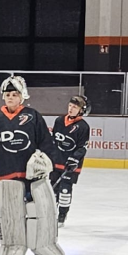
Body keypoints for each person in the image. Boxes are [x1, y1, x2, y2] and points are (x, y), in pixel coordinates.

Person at [0, 75, 63, 255]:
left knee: (41, 210)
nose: (11, 97)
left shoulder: (33, 116)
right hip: (7, 171)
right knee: (11, 213)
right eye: (7, 94)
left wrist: (47, 161)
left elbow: (46, 142)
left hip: (33, 174)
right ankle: (12, 246)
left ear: (22, 96)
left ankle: (43, 247)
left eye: (14, 94)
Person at [49, 95, 91, 227]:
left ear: (81, 110)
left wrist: (74, 159)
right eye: (70, 106)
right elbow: (54, 140)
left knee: (65, 190)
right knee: (52, 189)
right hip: (56, 162)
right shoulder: (59, 121)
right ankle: (50, 213)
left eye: (75, 107)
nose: (71, 109)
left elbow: (82, 147)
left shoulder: (83, 127)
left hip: (71, 165)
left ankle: (62, 215)